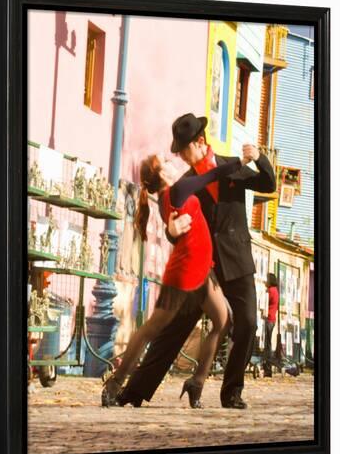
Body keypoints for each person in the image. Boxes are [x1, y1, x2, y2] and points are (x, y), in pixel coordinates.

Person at [118, 113, 276, 409]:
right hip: (204, 267)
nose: (179, 156)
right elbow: (176, 221)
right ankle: (132, 392)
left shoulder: (233, 166)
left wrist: (259, 157)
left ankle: (231, 393)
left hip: (238, 261)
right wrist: (170, 232)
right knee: (174, 330)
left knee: (248, 324)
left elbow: (268, 184)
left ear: (200, 142)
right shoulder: (187, 181)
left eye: (183, 149)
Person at [102, 152, 245, 408]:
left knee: (222, 321)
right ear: (162, 174)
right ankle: (115, 383)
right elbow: (212, 175)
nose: (171, 162)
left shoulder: (165, 199)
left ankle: (196, 382)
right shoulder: (177, 189)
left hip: (201, 270)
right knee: (151, 329)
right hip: (185, 273)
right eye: (166, 161)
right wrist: (240, 162)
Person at [263, 273, 279, 377]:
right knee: (268, 343)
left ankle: (267, 368)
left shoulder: (271, 290)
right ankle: (267, 368)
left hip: (269, 318)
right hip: (272, 319)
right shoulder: (276, 290)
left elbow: (265, 302)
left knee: (267, 344)